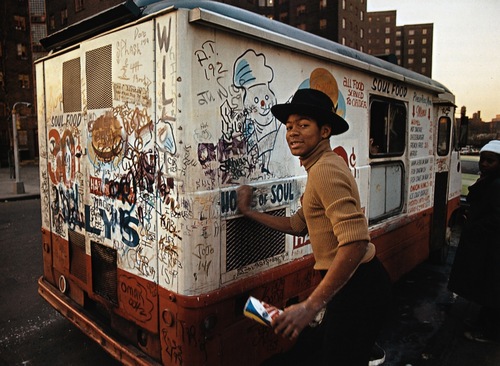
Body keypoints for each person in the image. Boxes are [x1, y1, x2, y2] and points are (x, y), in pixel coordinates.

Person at [237, 88, 392, 365]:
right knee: (311, 351)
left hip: (359, 287)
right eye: (289, 126)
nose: (292, 132)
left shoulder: (325, 170)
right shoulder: (320, 166)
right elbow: (298, 225)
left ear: (324, 131)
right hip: (349, 285)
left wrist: (311, 305)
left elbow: (356, 243)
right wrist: (249, 212)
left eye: (303, 125)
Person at [448, 139, 500, 344]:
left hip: (491, 247)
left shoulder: (496, 184)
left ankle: (489, 331)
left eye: (490, 161)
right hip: (487, 245)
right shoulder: (489, 180)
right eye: (483, 160)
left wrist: (475, 226)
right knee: (488, 288)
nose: (484, 164)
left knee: (491, 288)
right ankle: (484, 323)